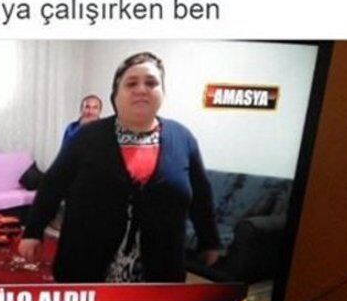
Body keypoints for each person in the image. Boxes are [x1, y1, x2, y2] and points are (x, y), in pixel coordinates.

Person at [19, 52, 220, 285]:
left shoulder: (183, 138)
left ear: (162, 92)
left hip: (159, 272)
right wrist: (33, 231)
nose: (141, 89)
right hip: (87, 266)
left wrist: (209, 240)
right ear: (115, 95)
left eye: (151, 83)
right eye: (131, 83)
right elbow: (53, 185)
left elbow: (201, 195)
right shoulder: (87, 136)